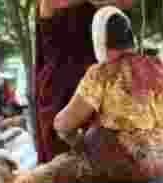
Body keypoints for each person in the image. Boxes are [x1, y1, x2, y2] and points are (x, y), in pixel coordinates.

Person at [11, 8, 163, 183]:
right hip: (154, 169)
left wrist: (78, 144)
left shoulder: (102, 73)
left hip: (110, 167)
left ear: (100, 41)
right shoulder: (157, 70)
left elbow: (63, 125)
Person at [34, 0, 134, 165]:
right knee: (60, 161)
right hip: (60, 82)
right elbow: (48, 4)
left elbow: (125, 4)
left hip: (100, 69)